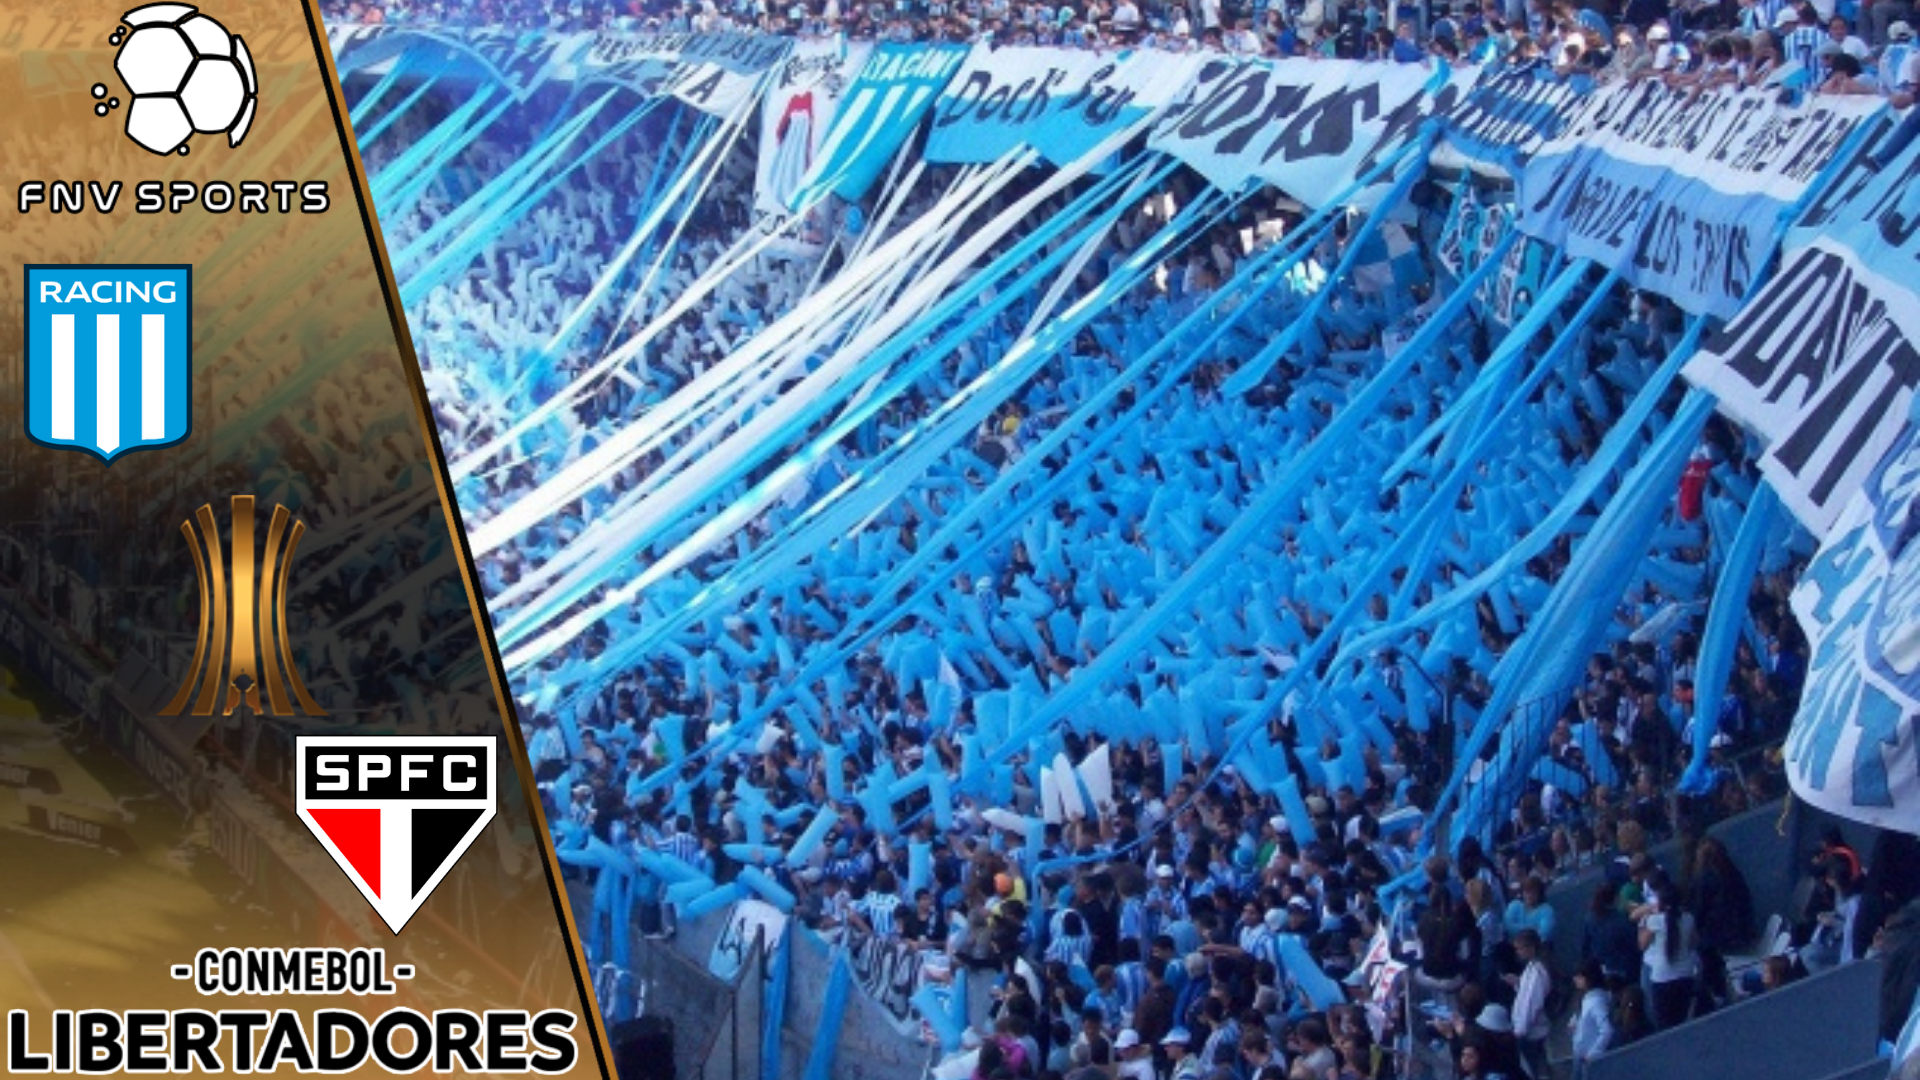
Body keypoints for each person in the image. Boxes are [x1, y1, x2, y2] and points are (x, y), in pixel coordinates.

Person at [1636, 876, 1699, 1030]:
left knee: (1664, 1024)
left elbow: (1642, 945)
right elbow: (1693, 943)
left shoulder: (1654, 921)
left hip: (1662, 978)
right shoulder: (1688, 918)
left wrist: (1643, 922)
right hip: (1685, 974)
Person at [1507, 929, 1552, 1080]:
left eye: (1520, 948)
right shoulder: (1532, 966)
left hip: (1532, 1032)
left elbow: (1532, 1004)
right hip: (1528, 1030)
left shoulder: (1538, 971)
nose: (1518, 952)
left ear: (1531, 948)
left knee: (1534, 1069)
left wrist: (1520, 1029)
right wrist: (1517, 983)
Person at [1569, 959, 1614, 1077]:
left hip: (1587, 1058)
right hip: (1581, 1055)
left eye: (1579, 976)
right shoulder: (1587, 997)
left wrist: (1593, 1054)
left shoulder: (1597, 1002)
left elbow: (1607, 1030)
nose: (1575, 979)